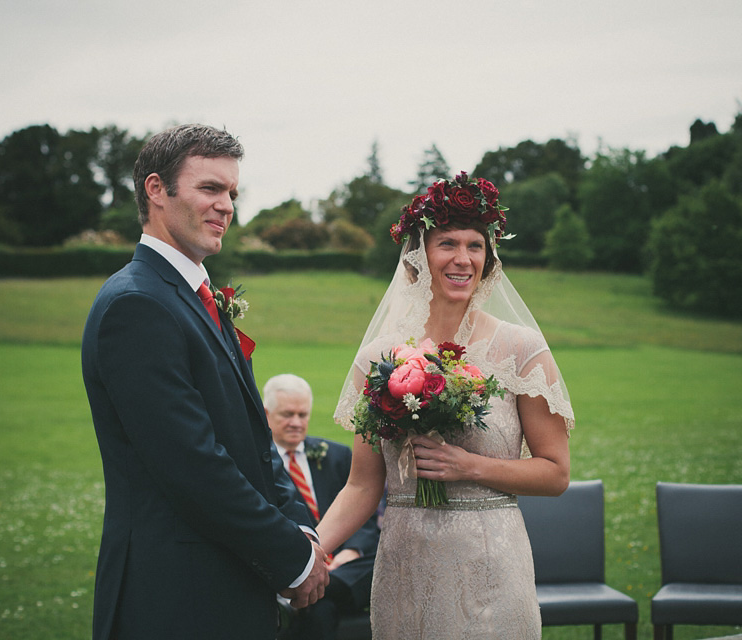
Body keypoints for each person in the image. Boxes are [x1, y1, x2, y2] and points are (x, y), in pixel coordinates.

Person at [81, 124, 329, 640]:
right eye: (210, 189)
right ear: (156, 190)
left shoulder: (197, 295)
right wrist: (291, 557)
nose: (226, 206)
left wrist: (300, 527)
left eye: (232, 193)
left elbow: (252, 440)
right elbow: (191, 463)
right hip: (175, 595)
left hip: (228, 580)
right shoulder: (137, 304)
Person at [316, 172, 575, 639]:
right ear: (419, 257)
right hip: (406, 569)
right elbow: (360, 486)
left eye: (475, 245)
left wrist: (468, 466)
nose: (463, 259)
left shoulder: (522, 349)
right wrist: (311, 551)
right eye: (447, 244)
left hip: (492, 567)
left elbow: (555, 473)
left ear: (489, 258)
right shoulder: (380, 358)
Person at [263, 374, 380, 640]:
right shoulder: (261, 465)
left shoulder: (337, 456)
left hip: (346, 565)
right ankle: (313, 585)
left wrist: (350, 551)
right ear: (266, 414)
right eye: (287, 414)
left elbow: (367, 516)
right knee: (322, 609)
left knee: (385, 558)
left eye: (303, 414)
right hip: (295, 560)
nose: (296, 422)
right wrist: (309, 563)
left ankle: (304, 594)